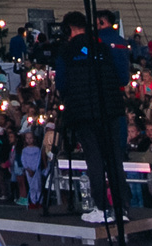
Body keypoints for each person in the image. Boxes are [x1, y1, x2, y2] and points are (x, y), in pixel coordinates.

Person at [54, 13, 127, 225]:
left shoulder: (66, 51)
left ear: (68, 29)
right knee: (114, 158)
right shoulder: (103, 47)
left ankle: (102, 207)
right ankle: (121, 207)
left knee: (94, 159)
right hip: (110, 109)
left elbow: (61, 84)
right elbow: (120, 76)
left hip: (83, 112)